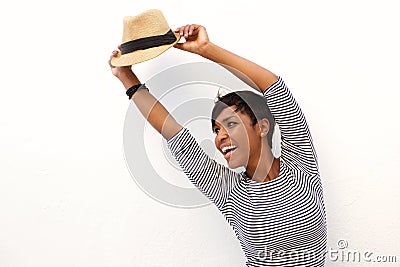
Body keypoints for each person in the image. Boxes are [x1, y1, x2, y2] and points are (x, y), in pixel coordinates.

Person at [109, 24, 327, 266]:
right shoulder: (230, 191)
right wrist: (126, 77)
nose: (220, 137)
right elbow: (174, 135)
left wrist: (206, 49)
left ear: (262, 127)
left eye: (230, 124)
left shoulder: (301, 162)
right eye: (216, 129)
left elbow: (274, 88)